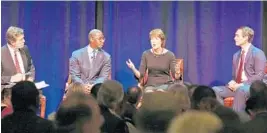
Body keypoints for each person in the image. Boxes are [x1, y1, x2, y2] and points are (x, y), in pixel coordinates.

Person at [212, 26, 266, 112]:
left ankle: (237, 119)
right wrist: (233, 82)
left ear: (246, 37)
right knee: (215, 90)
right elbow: (235, 76)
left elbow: (259, 76)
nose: (234, 38)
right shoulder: (236, 55)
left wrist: (242, 85)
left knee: (241, 90)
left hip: (252, 87)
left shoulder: (258, 53)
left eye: (237, 36)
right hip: (239, 86)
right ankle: (224, 115)